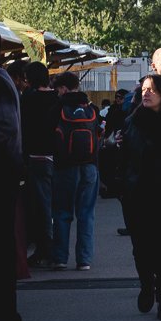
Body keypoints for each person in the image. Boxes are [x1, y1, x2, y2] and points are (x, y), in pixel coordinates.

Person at [120, 74, 161, 319]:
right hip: (138, 195)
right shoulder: (132, 121)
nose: (146, 93)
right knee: (142, 249)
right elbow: (124, 158)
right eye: (144, 89)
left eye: (152, 90)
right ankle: (147, 285)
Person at [49, 72, 102, 271]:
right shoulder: (92, 108)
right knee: (86, 213)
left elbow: (49, 135)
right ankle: (84, 260)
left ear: (63, 88)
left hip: (64, 168)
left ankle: (61, 258)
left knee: (62, 213)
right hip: (90, 167)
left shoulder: (58, 108)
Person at [19, 62, 59, 268]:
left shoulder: (29, 97)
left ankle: (46, 249)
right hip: (57, 157)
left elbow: (23, 127)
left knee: (40, 207)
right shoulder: (56, 98)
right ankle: (55, 249)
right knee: (55, 206)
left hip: (35, 156)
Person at [0, 59, 22, 321]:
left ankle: (5, 313)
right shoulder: (3, 79)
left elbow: (4, 127)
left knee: (1, 246)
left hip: (1, 176)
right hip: (5, 174)